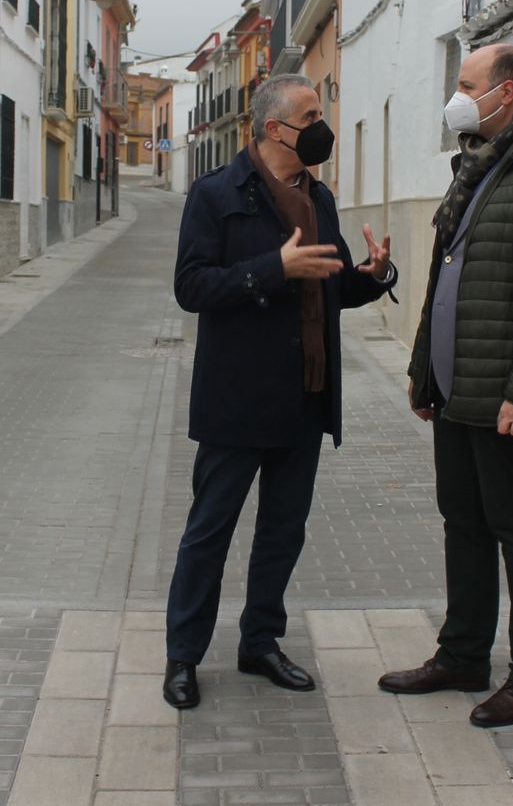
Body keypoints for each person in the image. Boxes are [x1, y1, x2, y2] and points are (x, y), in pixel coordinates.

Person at [164, 73, 397, 710]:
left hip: (306, 397)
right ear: (275, 128)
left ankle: (260, 642)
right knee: (208, 533)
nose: (323, 124)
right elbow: (191, 287)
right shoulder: (216, 195)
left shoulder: (318, 199)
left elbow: (333, 285)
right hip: (237, 401)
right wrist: (273, 269)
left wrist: (373, 276)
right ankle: (182, 656)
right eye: (313, 114)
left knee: (281, 532)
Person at [378, 43, 513, 728]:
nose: (458, 94)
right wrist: (423, 370)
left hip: (504, 394)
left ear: (508, 92)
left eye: (467, 83)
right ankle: (464, 654)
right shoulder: (480, 165)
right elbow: (446, 277)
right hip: (457, 387)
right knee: (464, 524)